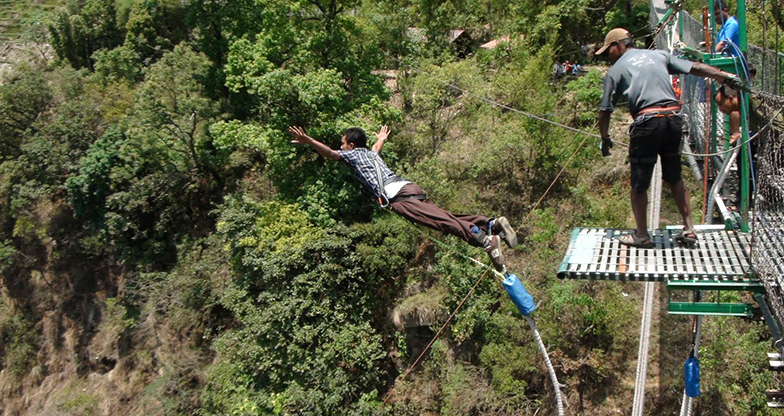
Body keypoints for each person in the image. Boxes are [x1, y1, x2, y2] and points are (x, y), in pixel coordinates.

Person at [288, 125, 518, 273]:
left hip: (397, 197)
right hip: (408, 187)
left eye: (343, 142)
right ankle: (491, 225)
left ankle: (486, 241)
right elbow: (376, 147)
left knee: (440, 222)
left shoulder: (352, 155)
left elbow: (329, 153)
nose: (341, 146)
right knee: (444, 216)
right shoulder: (369, 154)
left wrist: (308, 140)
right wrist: (381, 138)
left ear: (351, 144)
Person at [596, 28, 743, 247]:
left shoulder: (615, 71)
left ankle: (642, 235)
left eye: (609, 52)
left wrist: (605, 136)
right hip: (673, 119)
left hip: (647, 123)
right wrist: (726, 77)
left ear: (618, 46)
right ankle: (689, 229)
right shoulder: (660, 55)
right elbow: (696, 67)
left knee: (639, 182)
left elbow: (605, 110)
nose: (609, 57)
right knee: (674, 176)